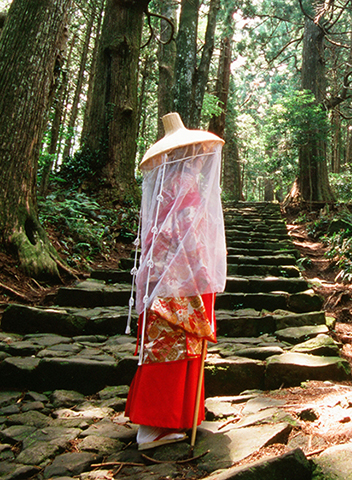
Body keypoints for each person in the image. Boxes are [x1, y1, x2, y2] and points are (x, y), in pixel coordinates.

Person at [125, 113, 226, 450]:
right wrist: (204, 271)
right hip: (179, 280)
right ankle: (155, 426)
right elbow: (190, 234)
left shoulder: (168, 182)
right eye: (196, 152)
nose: (199, 159)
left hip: (159, 275)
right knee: (173, 351)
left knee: (163, 350)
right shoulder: (185, 185)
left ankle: (162, 421)